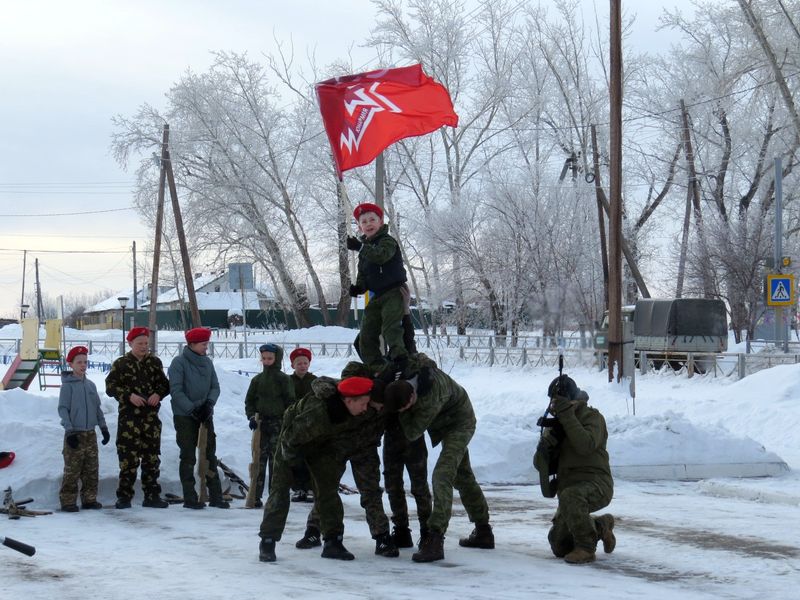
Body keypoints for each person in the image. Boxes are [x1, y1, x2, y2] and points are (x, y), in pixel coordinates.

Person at [258, 372, 398, 563]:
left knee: (327, 489)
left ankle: (333, 542)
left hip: (321, 446)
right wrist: (296, 466)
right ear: (349, 401)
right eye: (363, 404)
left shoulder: (351, 410)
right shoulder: (318, 411)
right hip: (291, 445)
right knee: (280, 491)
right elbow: (291, 439)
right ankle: (268, 541)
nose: (366, 409)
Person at [384, 355, 493, 563]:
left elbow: (413, 431)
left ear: (412, 397)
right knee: (463, 477)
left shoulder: (430, 398)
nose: (404, 412)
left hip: (460, 423)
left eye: (406, 408)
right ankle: (483, 530)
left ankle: (435, 538)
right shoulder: (412, 375)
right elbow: (417, 356)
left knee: (442, 475)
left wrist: (402, 415)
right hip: (446, 422)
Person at [533, 374, 616, 565]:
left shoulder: (592, 417)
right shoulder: (556, 425)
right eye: (552, 402)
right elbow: (540, 465)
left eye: (558, 401)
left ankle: (586, 548)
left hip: (596, 483)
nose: (554, 406)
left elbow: (586, 445)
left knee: (571, 496)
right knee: (559, 545)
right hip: (568, 491)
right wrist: (545, 448)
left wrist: (568, 417)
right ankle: (600, 525)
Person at [105, 327, 171, 509]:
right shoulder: (121, 364)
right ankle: (124, 497)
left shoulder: (155, 363)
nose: (144, 347)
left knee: (151, 460)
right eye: (140, 343)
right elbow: (110, 386)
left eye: (146, 343)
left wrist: (158, 394)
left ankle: (152, 496)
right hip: (129, 421)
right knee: (128, 460)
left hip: (150, 420)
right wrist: (128, 396)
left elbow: (165, 385)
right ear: (130, 343)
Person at [346, 202, 411, 375]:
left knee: (391, 328)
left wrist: (360, 247)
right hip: (376, 296)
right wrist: (358, 288)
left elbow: (381, 257)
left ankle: (400, 360)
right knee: (366, 334)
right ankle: (377, 368)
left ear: (380, 223)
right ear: (360, 227)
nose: (368, 224)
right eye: (364, 221)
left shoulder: (387, 242)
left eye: (372, 220)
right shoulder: (364, 251)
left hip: (393, 292)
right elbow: (363, 273)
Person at [168, 327, 228, 510]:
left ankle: (216, 495)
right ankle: (190, 496)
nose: (206, 348)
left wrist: (209, 404)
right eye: (203, 344)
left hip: (205, 415)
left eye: (206, 344)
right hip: (185, 416)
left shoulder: (207, 363)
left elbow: (215, 387)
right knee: (188, 455)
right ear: (192, 344)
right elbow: (176, 390)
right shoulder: (179, 363)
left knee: (209, 454)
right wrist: (192, 409)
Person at [58, 345, 109, 511]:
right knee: (73, 470)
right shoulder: (67, 386)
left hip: (90, 434)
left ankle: (89, 499)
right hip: (75, 434)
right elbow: (63, 409)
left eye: (85, 362)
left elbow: (97, 408)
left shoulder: (91, 386)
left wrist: (103, 428)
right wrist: (69, 430)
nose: (83, 365)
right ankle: (68, 501)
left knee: (91, 469)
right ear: (71, 364)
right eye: (79, 362)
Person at [244, 343, 295, 507]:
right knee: (258, 459)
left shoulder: (283, 379)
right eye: (264, 358)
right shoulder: (257, 380)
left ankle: (275, 496)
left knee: (276, 461)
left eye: (270, 358)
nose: (266, 361)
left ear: (277, 358)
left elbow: (290, 402)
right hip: (260, 424)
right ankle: (255, 495)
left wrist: (287, 422)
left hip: (278, 424)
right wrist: (251, 417)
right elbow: (250, 400)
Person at [288, 347, 315, 503]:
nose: (302, 366)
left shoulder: (314, 381)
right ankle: (298, 488)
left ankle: (311, 487)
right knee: (295, 458)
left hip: (311, 425)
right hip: (293, 425)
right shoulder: (288, 381)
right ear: (293, 365)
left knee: (310, 457)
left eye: (305, 363)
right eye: (299, 363)